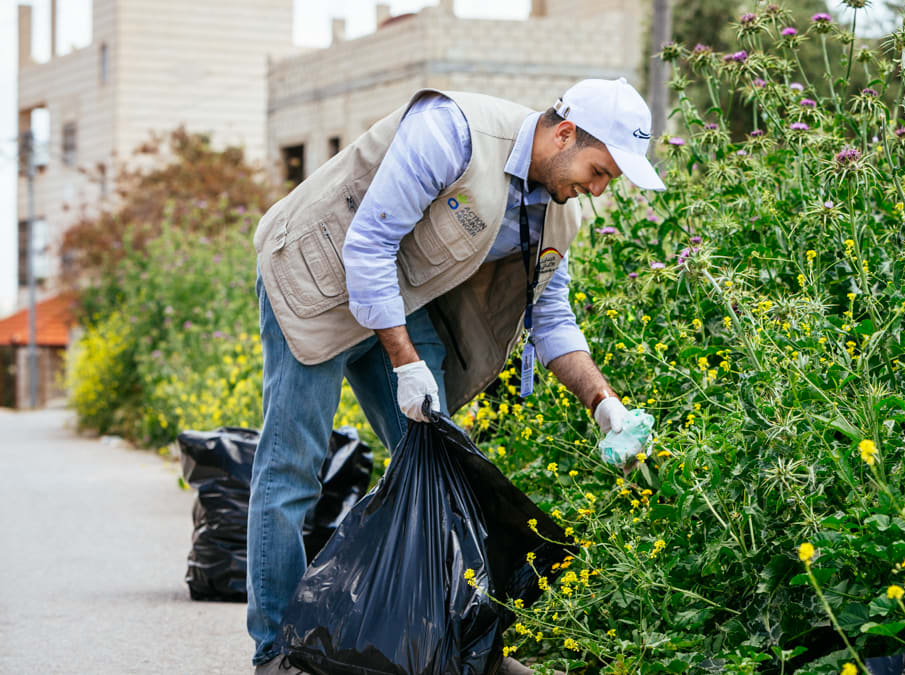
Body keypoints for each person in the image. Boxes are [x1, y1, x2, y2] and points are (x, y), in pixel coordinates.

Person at [248, 77, 665, 674]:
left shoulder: (553, 211)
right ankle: (275, 653)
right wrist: (406, 362)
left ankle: (448, 648)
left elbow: (551, 317)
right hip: (315, 273)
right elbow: (367, 245)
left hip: (397, 295)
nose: (597, 190)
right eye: (599, 170)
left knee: (442, 472)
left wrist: (605, 404)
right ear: (566, 134)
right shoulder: (455, 133)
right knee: (292, 467)